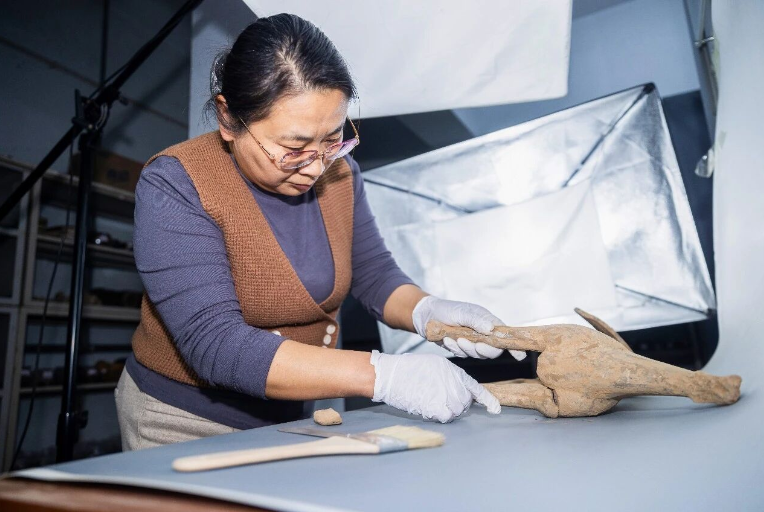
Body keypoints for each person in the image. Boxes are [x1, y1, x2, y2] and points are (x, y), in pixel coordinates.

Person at [115, 13, 524, 451]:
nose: (315, 167)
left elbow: (374, 274)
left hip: (290, 415)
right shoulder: (176, 183)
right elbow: (216, 344)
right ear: (229, 118)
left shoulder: (340, 175)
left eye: (332, 139)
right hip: (183, 422)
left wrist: (429, 312)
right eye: (293, 148)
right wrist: (382, 375)